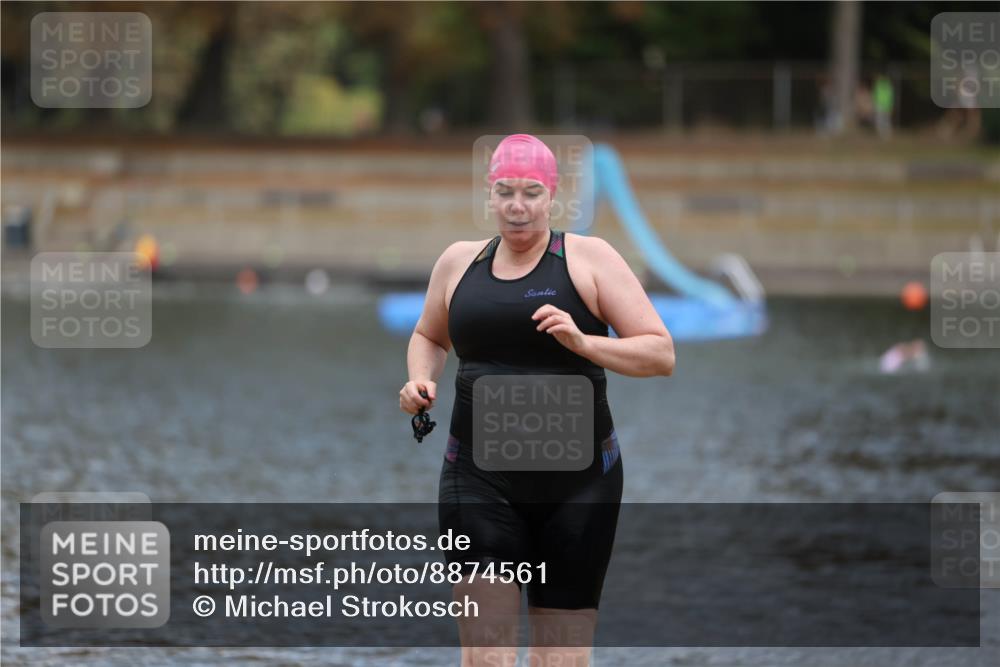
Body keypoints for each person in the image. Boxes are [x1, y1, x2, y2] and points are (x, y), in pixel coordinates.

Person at [399, 134, 675, 666]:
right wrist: (420, 382)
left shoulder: (588, 259)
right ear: (490, 194)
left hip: (578, 486)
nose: (518, 206)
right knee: (487, 655)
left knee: (559, 659)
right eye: (506, 192)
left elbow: (660, 354)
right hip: (478, 479)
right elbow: (429, 337)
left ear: (553, 195)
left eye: (531, 192)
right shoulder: (459, 262)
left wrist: (585, 342)